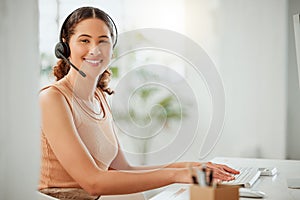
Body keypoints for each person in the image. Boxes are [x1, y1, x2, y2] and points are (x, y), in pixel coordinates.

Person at [38, 6, 239, 200]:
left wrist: (190, 167)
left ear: (112, 49)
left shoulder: (99, 97)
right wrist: (177, 176)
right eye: (84, 40)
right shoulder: (53, 99)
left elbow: (124, 169)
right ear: (65, 47)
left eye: (103, 41)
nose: (94, 50)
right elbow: (93, 182)